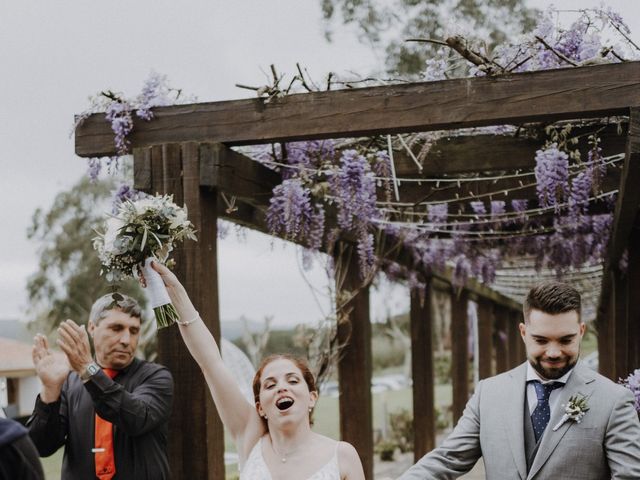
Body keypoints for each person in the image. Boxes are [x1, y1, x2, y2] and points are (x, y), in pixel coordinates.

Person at [144, 261, 365, 480]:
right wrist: (175, 292)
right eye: (270, 384)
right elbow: (210, 362)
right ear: (260, 408)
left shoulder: (342, 456)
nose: (281, 388)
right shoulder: (250, 438)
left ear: (312, 398)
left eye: (293, 381)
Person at [398, 281, 640, 480]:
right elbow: (447, 459)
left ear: (581, 332)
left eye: (565, 340)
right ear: (524, 333)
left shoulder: (613, 400)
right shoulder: (488, 393)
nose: (553, 352)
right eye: (541, 340)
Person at [27, 293, 174, 479]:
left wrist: (87, 369)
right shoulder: (70, 382)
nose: (126, 340)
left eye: (134, 331)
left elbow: (136, 418)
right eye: (116, 328)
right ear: (92, 327)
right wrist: (50, 390)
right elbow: (41, 446)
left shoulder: (156, 377)